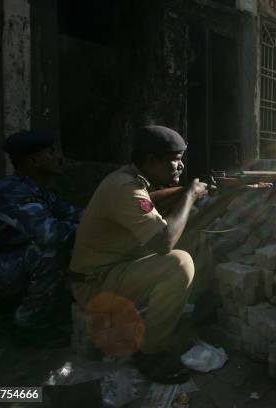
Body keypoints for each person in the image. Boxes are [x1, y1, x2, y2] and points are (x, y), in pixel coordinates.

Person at [70, 125, 208, 382]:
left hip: (117, 268)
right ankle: (150, 353)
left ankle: (193, 310)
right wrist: (189, 195)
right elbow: (163, 242)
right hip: (95, 283)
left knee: (195, 231)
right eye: (175, 160)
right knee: (180, 263)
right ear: (151, 161)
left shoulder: (134, 180)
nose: (180, 167)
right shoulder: (126, 188)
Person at [0, 130, 83, 345]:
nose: (58, 158)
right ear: (34, 160)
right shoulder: (12, 191)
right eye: (50, 153)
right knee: (48, 252)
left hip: (1, 265)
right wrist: (89, 230)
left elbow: (77, 214)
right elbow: (49, 234)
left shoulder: (39, 191)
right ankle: (29, 327)